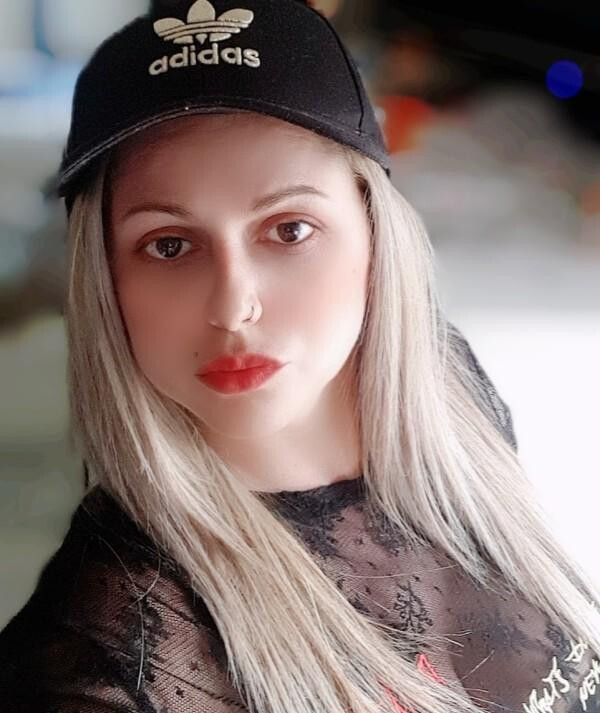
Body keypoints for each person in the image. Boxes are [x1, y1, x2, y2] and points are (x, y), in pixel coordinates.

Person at [1, 1, 599, 712]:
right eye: (170, 245)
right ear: (103, 279)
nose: (233, 306)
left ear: (374, 228)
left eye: (288, 230)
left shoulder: (446, 390)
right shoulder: (106, 660)